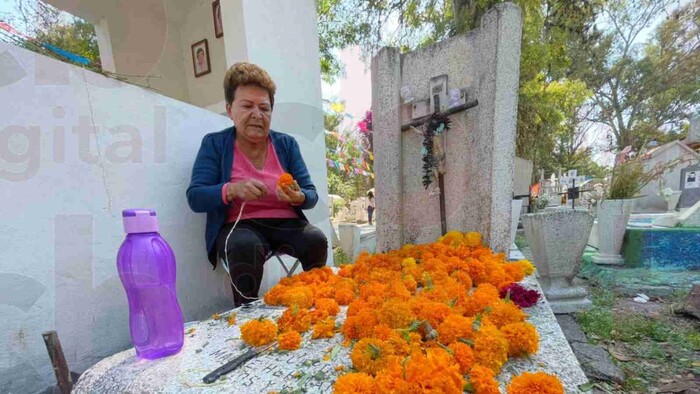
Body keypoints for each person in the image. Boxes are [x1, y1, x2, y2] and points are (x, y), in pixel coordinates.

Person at [186, 62, 328, 306]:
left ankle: (315, 303)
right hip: (240, 225)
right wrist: (232, 189)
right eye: (247, 106)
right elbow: (195, 196)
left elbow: (311, 194)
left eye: (264, 108)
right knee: (244, 246)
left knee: (316, 239)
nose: (257, 114)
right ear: (230, 110)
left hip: (286, 223)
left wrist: (299, 197)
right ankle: (247, 316)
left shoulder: (286, 145)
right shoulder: (215, 144)